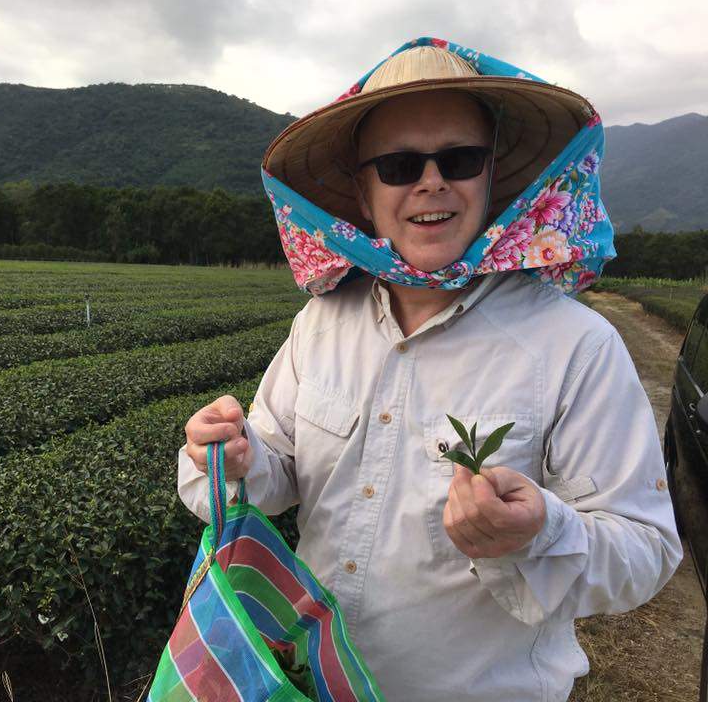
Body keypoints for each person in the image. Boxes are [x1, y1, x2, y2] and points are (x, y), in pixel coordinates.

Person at [176, 37, 683, 701]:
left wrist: (537, 532)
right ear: (363, 191)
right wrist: (237, 458)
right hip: (312, 683)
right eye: (398, 164)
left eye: (460, 159)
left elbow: (646, 550)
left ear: (492, 177)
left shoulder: (574, 345)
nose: (432, 181)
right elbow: (279, 474)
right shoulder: (323, 322)